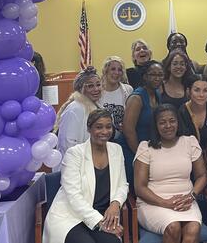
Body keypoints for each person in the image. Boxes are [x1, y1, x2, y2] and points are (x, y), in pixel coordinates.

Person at [44, 109, 128, 243]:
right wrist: (99, 222)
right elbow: (73, 196)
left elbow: (123, 185)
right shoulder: (74, 154)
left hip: (103, 214)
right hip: (72, 216)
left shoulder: (116, 149)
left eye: (108, 126)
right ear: (89, 129)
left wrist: (115, 204)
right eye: (99, 127)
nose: (105, 132)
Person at [134, 104, 206, 243]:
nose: (168, 125)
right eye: (162, 122)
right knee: (173, 228)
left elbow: (202, 176)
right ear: (156, 126)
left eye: (172, 121)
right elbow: (140, 188)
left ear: (178, 122)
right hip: (153, 203)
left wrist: (191, 196)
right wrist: (166, 203)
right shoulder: (146, 147)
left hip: (186, 201)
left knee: (193, 230)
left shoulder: (190, 142)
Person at [122, 61, 163, 180]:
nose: (157, 78)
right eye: (153, 75)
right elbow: (128, 131)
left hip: (149, 147)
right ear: (145, 76)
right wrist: (140, 155)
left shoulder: (157, 94)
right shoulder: (136, 98)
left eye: (160, 75)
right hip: (132, 149)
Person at [55, 67, 102, 159]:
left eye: (98, 84)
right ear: (81, 89)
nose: (96, 89)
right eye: (90, 86)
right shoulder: (75, 108)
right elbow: (67, 143)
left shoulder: (96, 106)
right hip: (75, 165)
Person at [179, 75, 207, 151]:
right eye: (197, 90)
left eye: (205, 90)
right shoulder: (182, 112)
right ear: (188, 91)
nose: (201, 95)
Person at [100, 56, 133, 136]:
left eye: (119, 70)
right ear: (106, 71)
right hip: (102, 137)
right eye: (113, 69)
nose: (116, 73)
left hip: (122, 139)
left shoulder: (128, 90)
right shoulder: (97, 91)